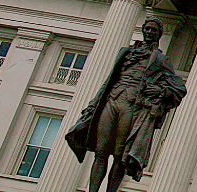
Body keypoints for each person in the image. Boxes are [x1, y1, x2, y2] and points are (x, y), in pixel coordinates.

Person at [64, 17, 186, 192]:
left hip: (132, 106)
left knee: (119, 155)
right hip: (111, 101)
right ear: (143, 30)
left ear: (159, 34)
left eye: (154, 30)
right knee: (100, 152)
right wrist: (93, 104)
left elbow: (179, 88)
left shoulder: (161, 59)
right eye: (148, 29)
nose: (150, 32)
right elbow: (108, 81)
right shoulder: (125, 52)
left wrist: (160, 92)